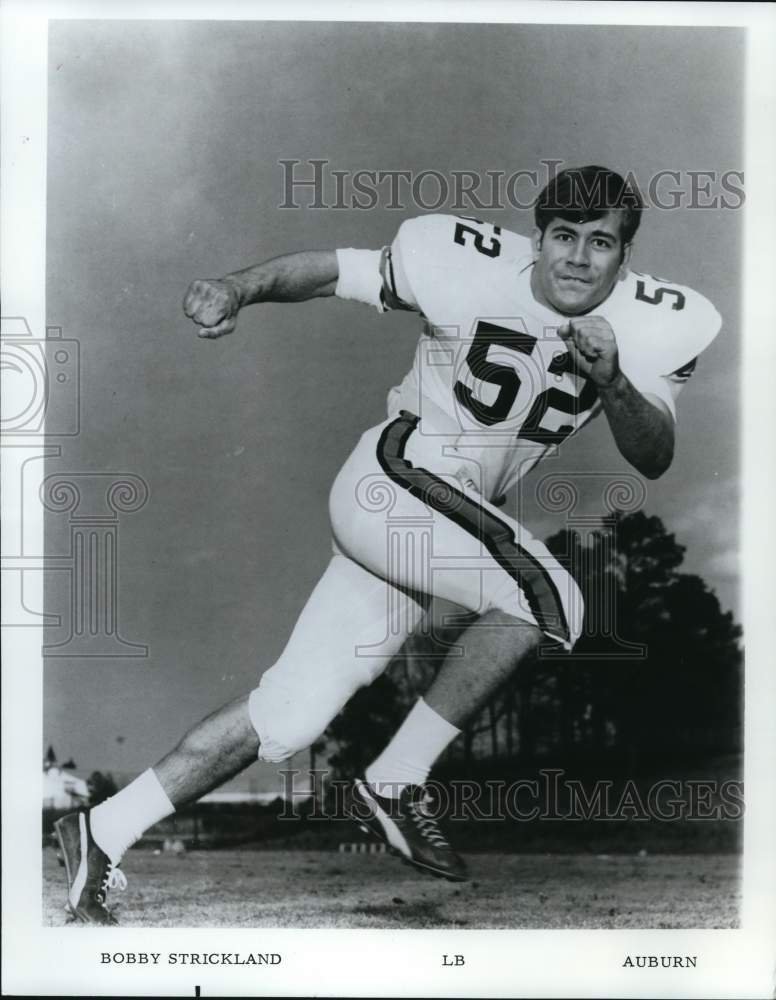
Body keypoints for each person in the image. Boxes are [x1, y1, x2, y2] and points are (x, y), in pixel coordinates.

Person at [55, 165, 721, 924]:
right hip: (393, 478)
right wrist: (238, 288)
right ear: (536, 238)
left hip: (440, 519)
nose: (577, 257)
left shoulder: (658, 320)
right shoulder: (461, 258)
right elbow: (336, 272)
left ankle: (101, 830)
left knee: (291, 715)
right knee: (553, 596)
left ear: (625, 254)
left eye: (600, 242)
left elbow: (655, 451)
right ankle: (398, 780)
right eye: (563, 236)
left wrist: (612, 381)